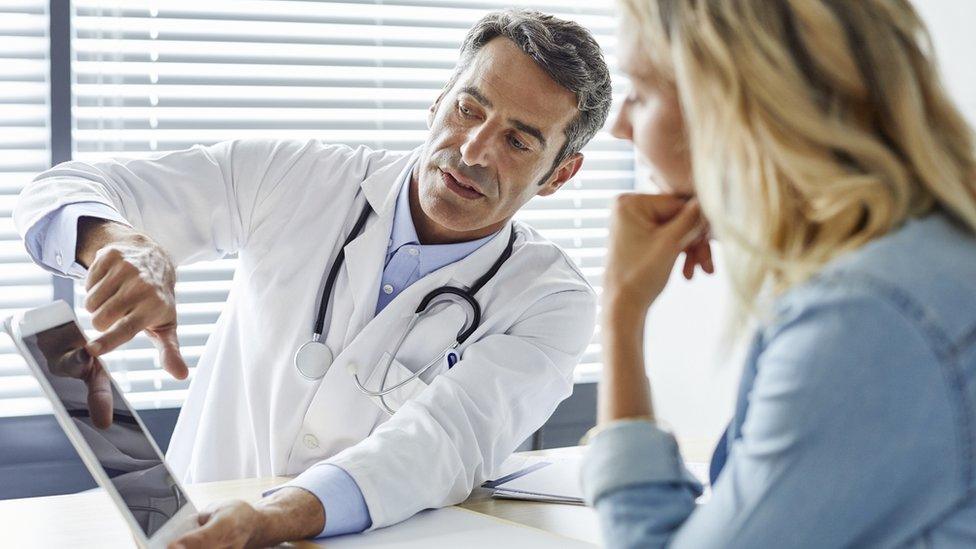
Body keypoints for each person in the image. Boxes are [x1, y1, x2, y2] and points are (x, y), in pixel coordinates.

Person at [15, 10, 622, 547]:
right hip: (191, 532)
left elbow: (446, 441)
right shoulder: (294, 178)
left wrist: (274, 519)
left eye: (518, 141)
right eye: (470, 108)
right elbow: (60, 188)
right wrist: (118, 243)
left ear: (558, 175)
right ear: (439, 100)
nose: (474, 149)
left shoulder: (551, 301)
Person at [582, 0, 976, 547]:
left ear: (743, 108)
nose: (620, 126)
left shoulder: (866, 318)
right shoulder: (928, 259)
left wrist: (622, 310)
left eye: (642, 93)